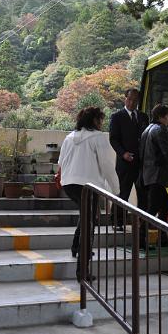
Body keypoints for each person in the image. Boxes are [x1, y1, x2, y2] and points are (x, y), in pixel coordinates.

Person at [59, 106, 120, 278]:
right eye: (100, 119)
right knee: (89, 224)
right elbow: (107, 166)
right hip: (88, 186)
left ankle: (76, 247)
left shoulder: (69, 137)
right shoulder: (98, 138)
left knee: (87, 217)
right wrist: (116, 191)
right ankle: (82, 271)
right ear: (94, 120)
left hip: (70, 184)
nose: (102, 123)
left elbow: (61, 161)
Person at [140, 104, 168, 245]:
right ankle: (142, 238)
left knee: (164, 204)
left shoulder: (147, 129)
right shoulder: (160, 129)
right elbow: (166, 151)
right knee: (153, 208)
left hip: (148, 174)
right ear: (160, 117)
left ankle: (162, 238)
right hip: (157, 174)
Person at [109, 88, 149, 229]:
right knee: (123, 193)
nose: (132, 102)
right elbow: (113, 139)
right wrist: (123, 153)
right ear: (125, 99)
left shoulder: (144, 117)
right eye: (130, 99)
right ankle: (117, 221)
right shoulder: (117, 116)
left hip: (141, 162)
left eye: (135, 100)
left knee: (143, 194)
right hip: (125, 162)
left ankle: (142, 223)